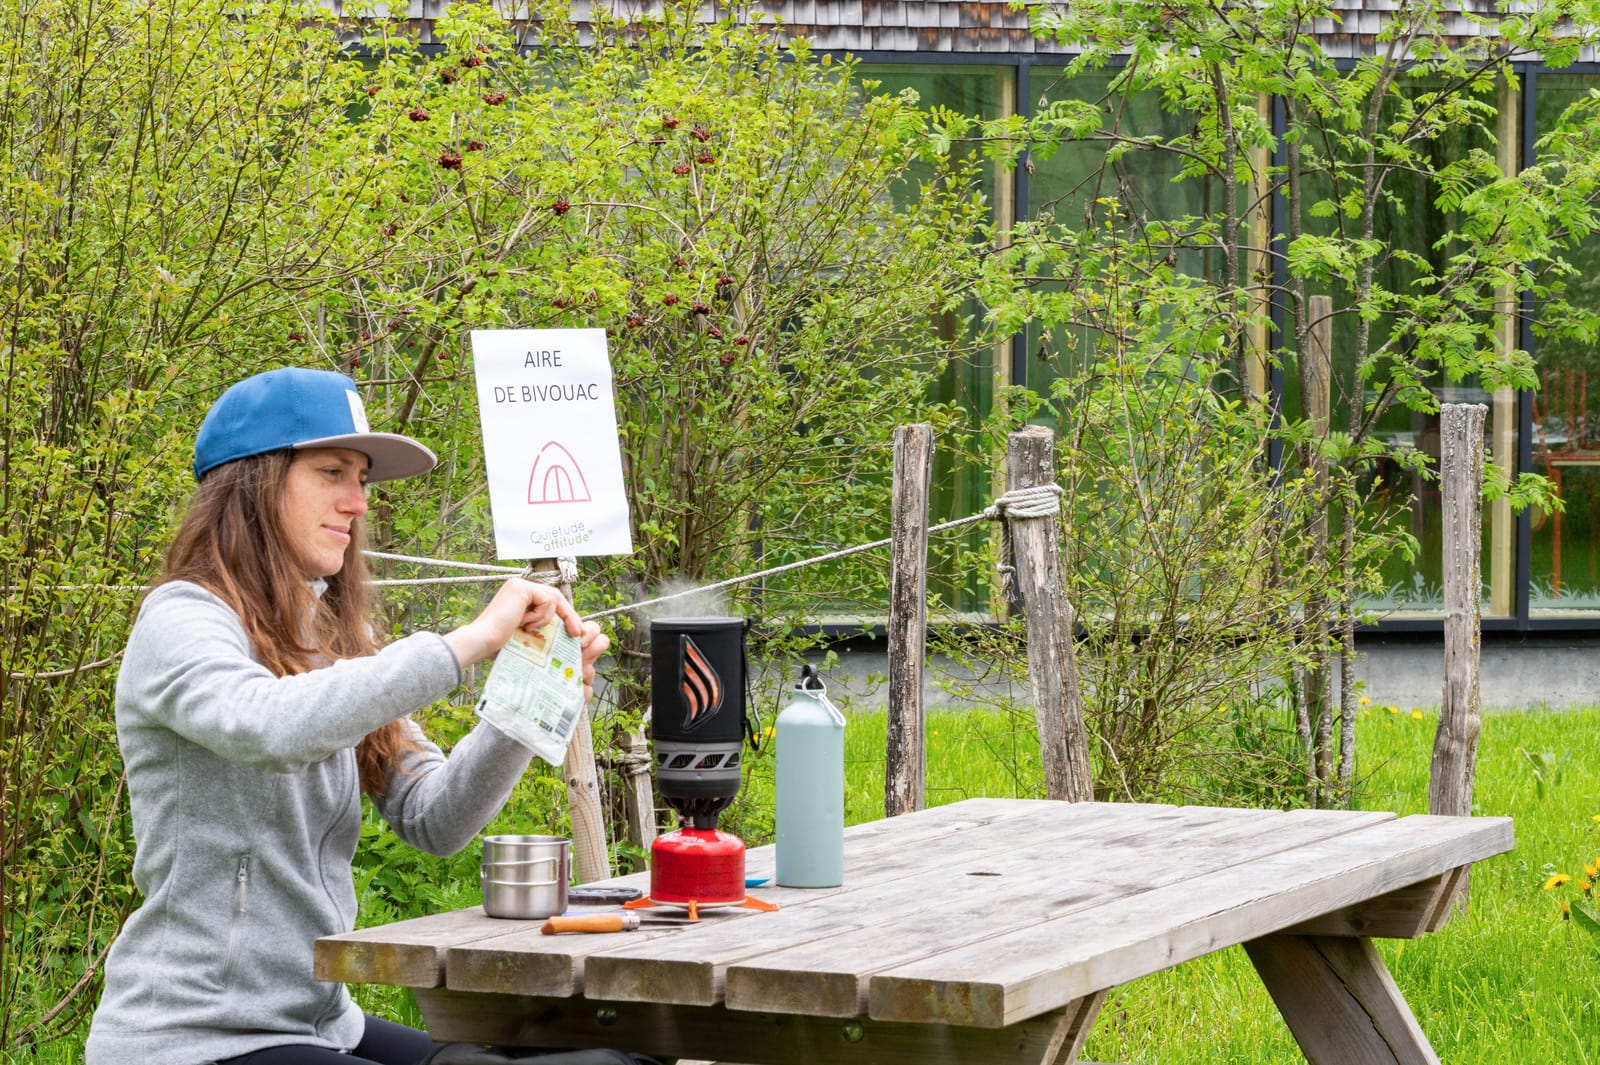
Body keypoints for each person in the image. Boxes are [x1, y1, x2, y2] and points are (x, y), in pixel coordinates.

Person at [84, 367, 609, 1065]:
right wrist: (464, 645)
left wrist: (530, 696)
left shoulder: (330, 641)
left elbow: (436, 816)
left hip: (322, 1022)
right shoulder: (181, 620)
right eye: (333, 471)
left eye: (362, 478)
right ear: (254, 481)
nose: (358, 502)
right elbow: (268, 726)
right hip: (191, 1035)